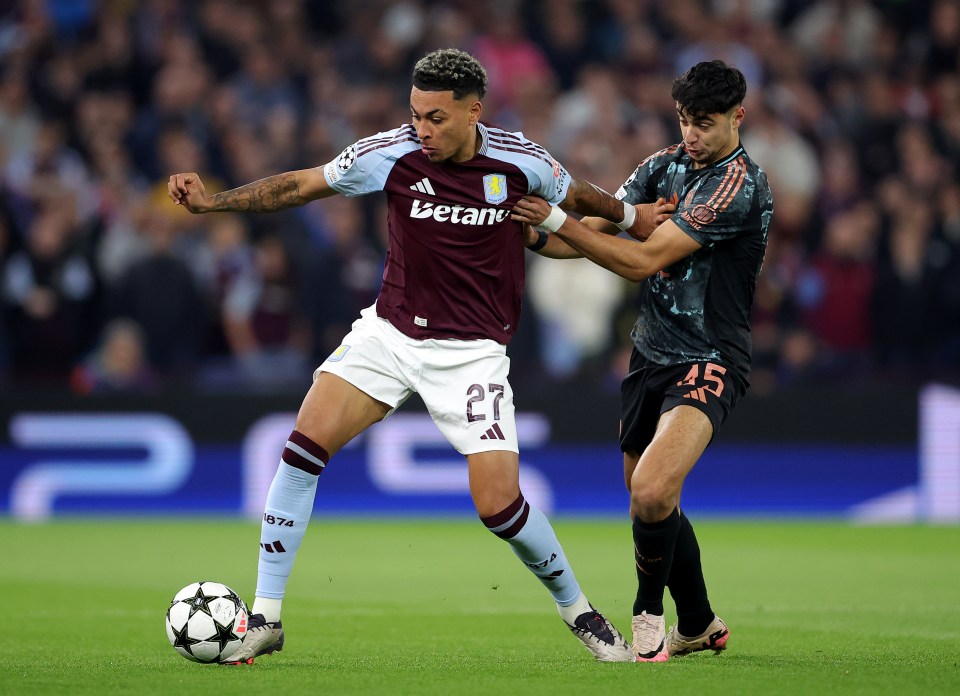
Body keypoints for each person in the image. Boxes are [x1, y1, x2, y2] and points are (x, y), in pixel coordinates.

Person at [168, 48, 645, 664]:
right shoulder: (390, 153)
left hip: (472, 354)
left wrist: (633, 216)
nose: (422, 128)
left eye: (437, 118)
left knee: (499, 506)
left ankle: (580, 613)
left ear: (475, 109)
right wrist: (215, 203)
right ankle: (266, 616)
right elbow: (303, 184)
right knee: (299, 452)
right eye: (416, 113)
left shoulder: (522, 161)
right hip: (388, 336)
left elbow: (578, 196)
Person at [512, 60, 774, 662]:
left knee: (653, 491)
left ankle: (648, 615)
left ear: (738, 116)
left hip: (711, 355)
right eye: (684, 121)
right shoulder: (661, 167)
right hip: (650, 354)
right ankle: (700, 622)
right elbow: (587, 234)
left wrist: (556, 220)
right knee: (650, 499)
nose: (691, 135)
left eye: (704, 124)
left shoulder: (739, 187)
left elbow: (640, 260)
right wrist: (529, 233)